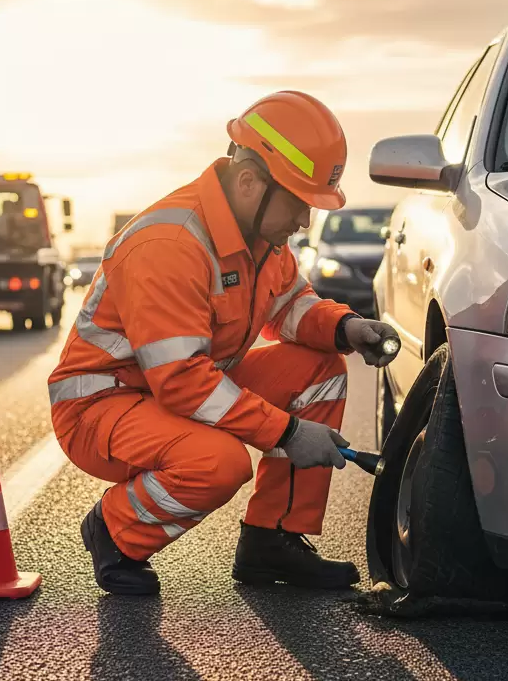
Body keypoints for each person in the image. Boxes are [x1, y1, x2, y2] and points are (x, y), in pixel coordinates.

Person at [48, 91, 400, 595]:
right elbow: (183, 382)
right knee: (219, 462)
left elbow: (291, 307)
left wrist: (346, 328)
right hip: (102, 405)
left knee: (321, 371)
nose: (304, 222)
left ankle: (272, 540)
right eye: (300, 203)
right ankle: (114, 530)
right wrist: (287, 433)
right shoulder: (170, 246)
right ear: (250, 182)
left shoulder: (260, 237)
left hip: (169, 390)